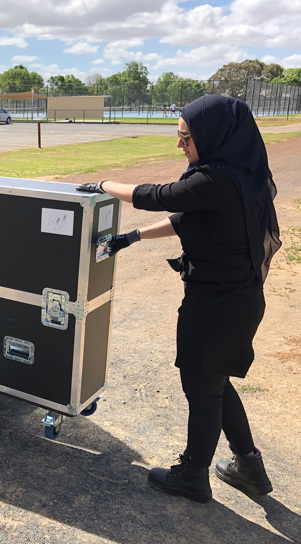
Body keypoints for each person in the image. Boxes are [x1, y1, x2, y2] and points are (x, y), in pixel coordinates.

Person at [77, 95, 281, 503]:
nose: (179, 144)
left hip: (214, 307)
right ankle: (250, 467)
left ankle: (192, 476)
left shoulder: (216, 179)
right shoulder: (244, 173)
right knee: (215, 383)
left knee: (202, 391)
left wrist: (103, 186)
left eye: (186, 137)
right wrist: (131, 238)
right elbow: (188, 217)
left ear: (212, 134)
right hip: (238, 300)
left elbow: (157, 197)